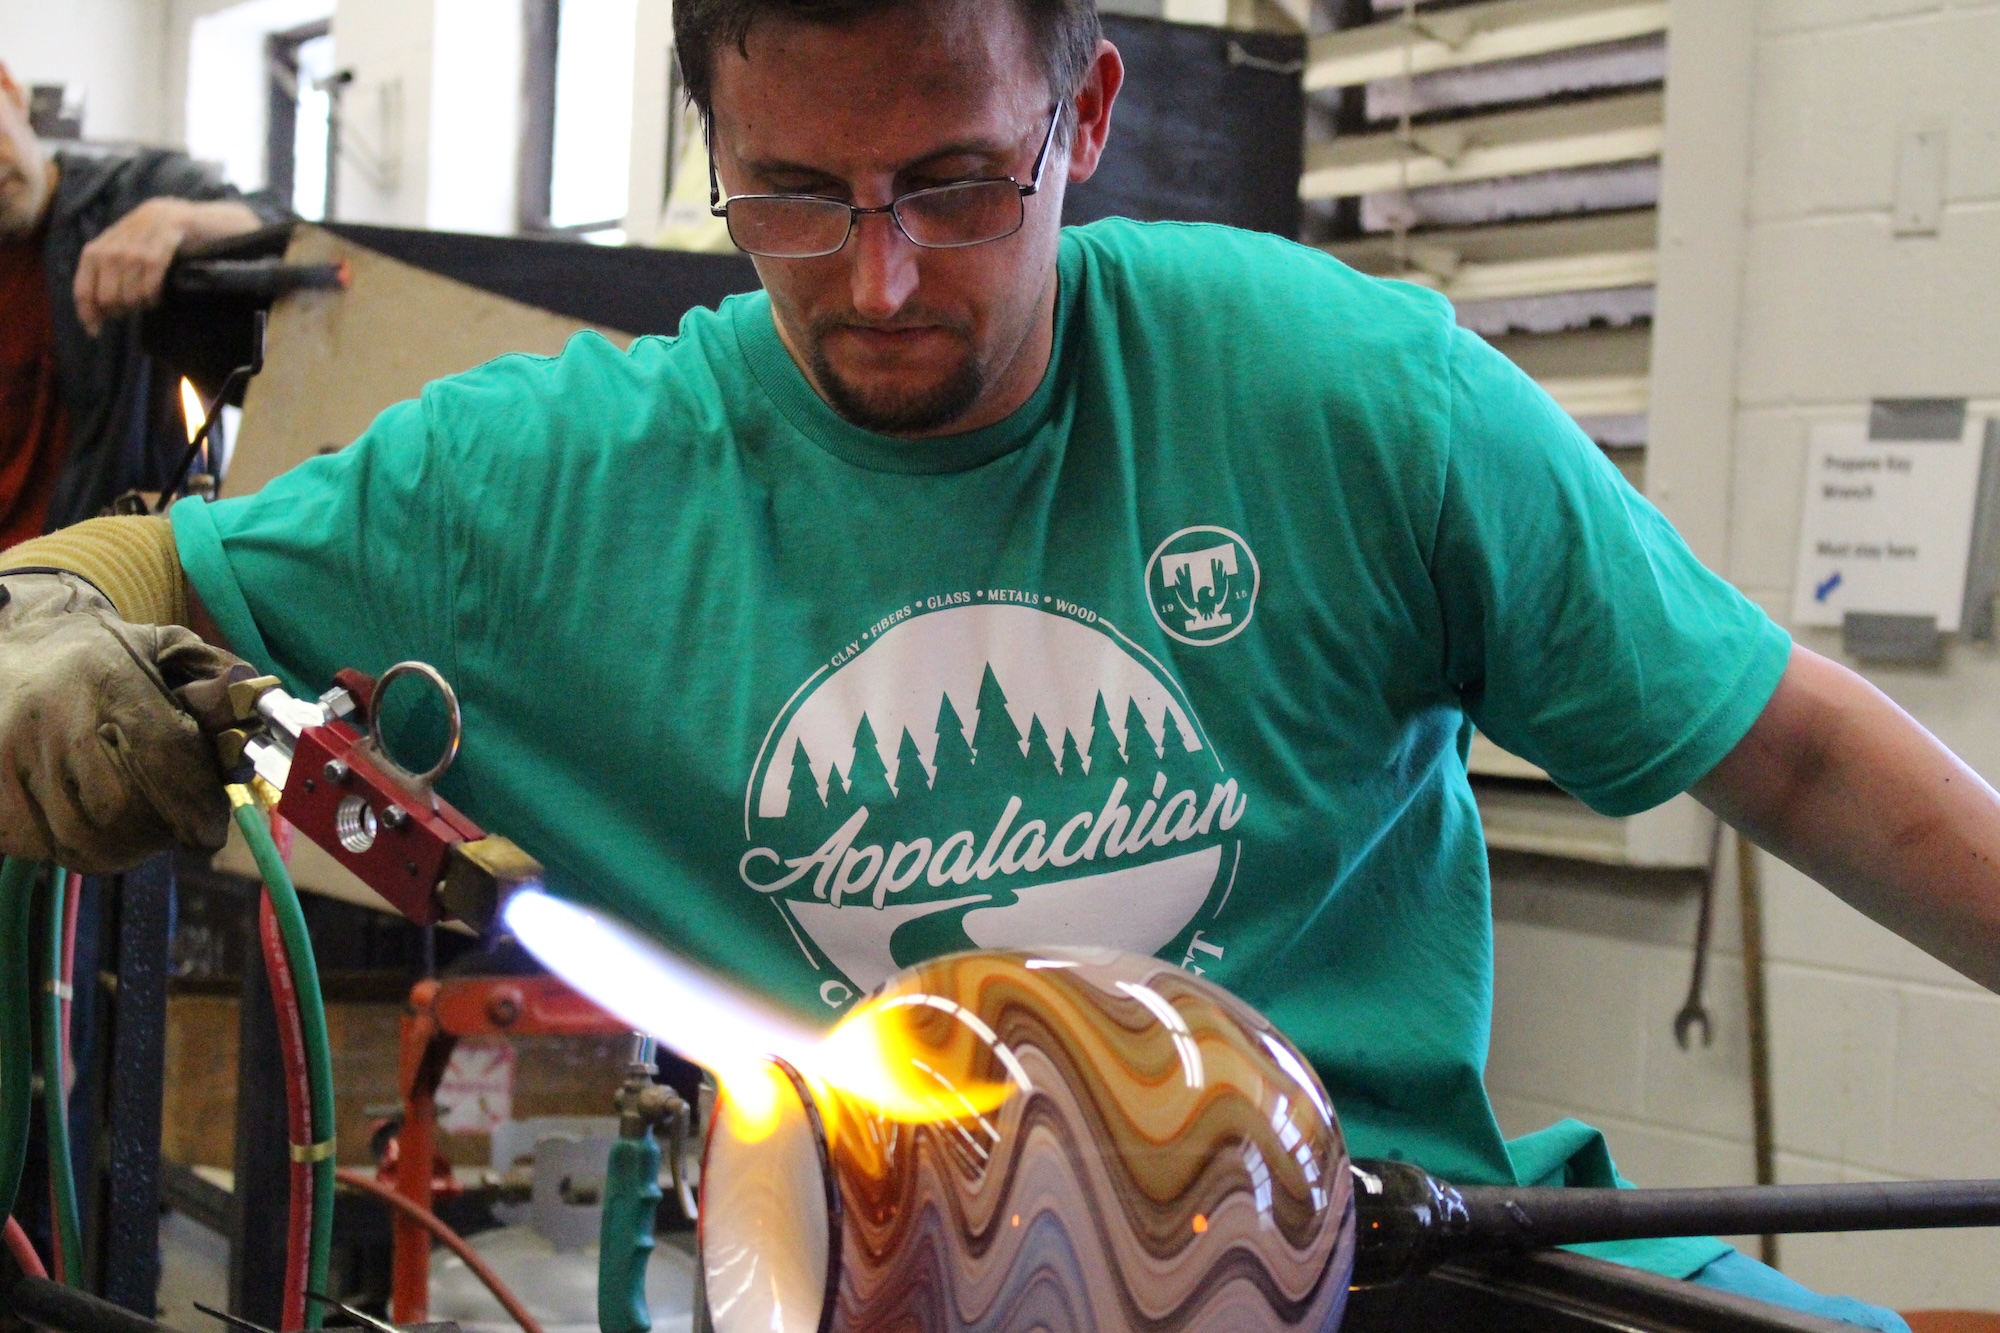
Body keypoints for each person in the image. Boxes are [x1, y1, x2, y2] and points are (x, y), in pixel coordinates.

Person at [0, 2, 1992, 1324]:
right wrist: (47, 637)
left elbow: (1796, 754)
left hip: (1383, 1257)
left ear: (1086, 113)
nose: (875, 278)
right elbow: (129, 568)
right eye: (793, 193)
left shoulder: (1349, 400)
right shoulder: (546, 489)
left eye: (955, 183)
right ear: (715, 146)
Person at [0, 60, 282, 548]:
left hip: (105, 576)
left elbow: (296, 237)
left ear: (11, 91)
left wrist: (185, 221)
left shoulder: (136, 192)